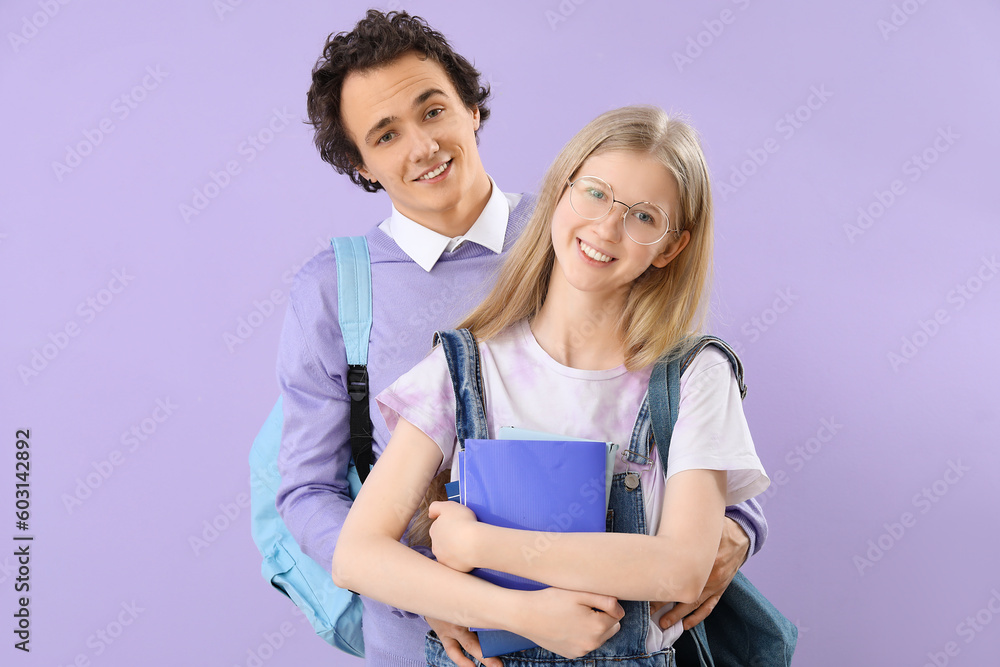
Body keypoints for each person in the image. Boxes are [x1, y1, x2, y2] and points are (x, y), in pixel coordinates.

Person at [277, 10, 767, 667]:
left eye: (432, 110)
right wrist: (446, 589)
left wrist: (737, 526)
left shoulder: (580, 227)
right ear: (361, 164)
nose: (422, 146)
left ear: (471, 106)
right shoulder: (346, 295)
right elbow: (311, 493)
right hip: (446, 636)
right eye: (385, 134)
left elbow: (679, 421)